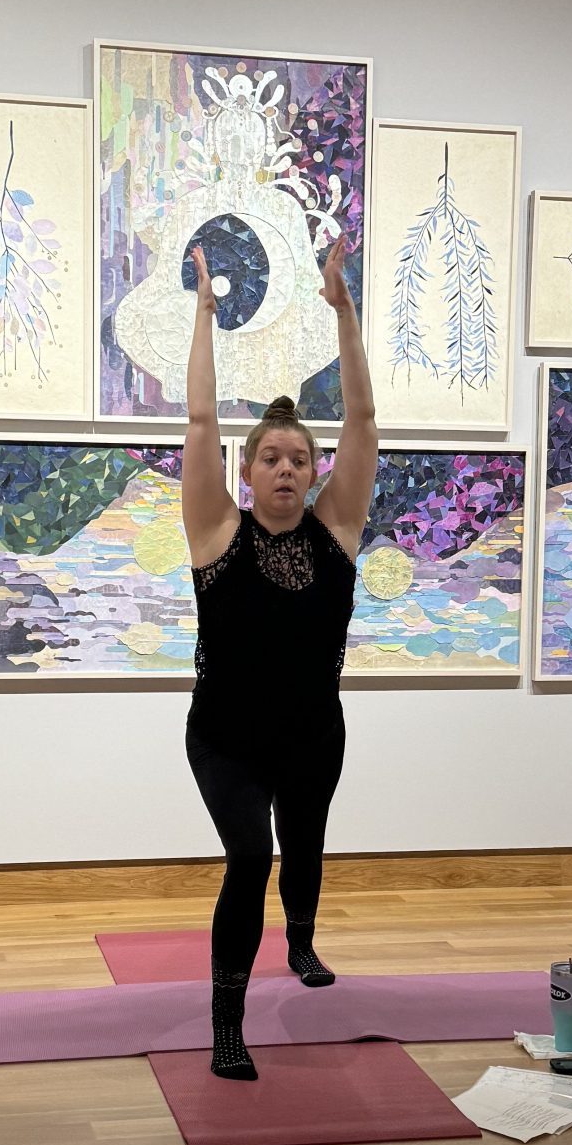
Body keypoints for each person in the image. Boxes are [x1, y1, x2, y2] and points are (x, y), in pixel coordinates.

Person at [179, 236, 378, 1080]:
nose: (288, 467)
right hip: (224, 735)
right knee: (250, 857)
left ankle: (300, 943)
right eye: (272, 457)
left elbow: (364, 421)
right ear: (249, 470)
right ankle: (228, 1022)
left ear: (314, 470)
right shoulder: (217, 531)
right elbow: (199, 421)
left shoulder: (337, 532)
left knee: (304, 842)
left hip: (310, 733)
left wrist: (345, 315)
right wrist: (204, 314)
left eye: (300, 457)